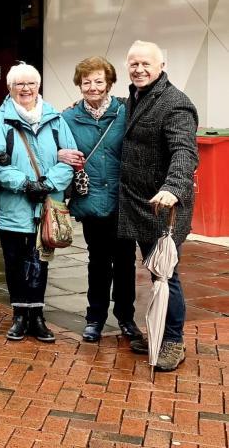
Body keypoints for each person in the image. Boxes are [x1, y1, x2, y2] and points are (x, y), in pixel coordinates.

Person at [117, 41, 198, 372]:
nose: (139, 69)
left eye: (145, 64)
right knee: (152, 273)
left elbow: (184, 151)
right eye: (133, 63)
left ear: (162, 65)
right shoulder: (135, 97)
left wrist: (173, 187)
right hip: (135, 202)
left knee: (165, 274)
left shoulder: (176, 103)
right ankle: (157, 331)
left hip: (162, 207)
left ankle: (173, 342)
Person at [59, 57, 147, 351]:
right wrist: (60, 155)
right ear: (79, 85)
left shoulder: (126, 111)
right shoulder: (68, 118)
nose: (93, 87)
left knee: (124, 262)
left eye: (99, 81)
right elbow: (54, 147)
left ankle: (126, 318)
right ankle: (94, 318)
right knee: (97, 262)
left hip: (124, 201)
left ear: (109, 83)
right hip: (92, 201)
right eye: (86, 82)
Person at [0, 62, 76, 343]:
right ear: (10, 88)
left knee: (41, 262)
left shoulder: (57, 120)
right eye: (19, 84)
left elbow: (70, 158)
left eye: (30, 83)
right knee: (14, 261)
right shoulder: (0, 122)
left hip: (47, 205)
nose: (25, 89)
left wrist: (48, 184)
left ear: (39, 86)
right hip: (14, 206)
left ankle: (37, 315)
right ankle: (19, 315)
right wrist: (26, 184)